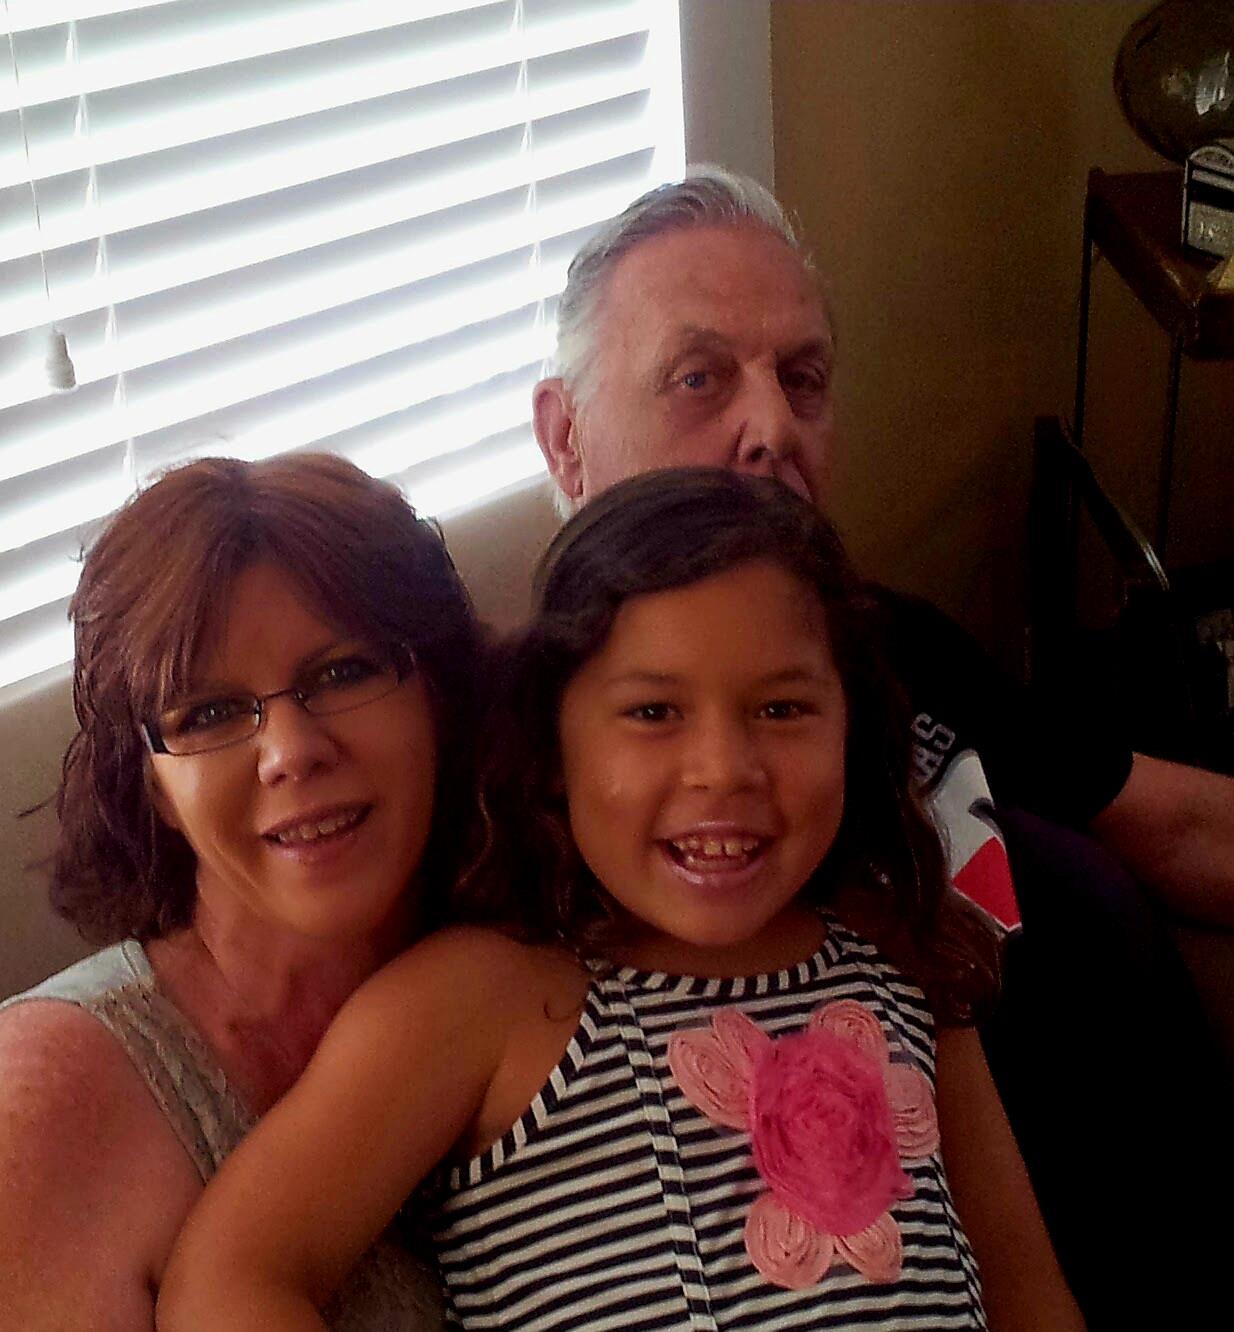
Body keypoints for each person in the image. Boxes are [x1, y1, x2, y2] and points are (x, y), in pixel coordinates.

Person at [529, 167, 1233, 1327]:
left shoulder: (894, 639)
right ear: (566, 440)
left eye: (801, 381)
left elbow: (1170, 819)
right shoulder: (537, 763)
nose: (771, 430)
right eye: (700, 378)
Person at [157, 469, 1083, 1332]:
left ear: (854, 725)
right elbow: (229, 1277)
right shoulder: (480, 999)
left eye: (782, 709)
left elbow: (1030, 1298)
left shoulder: (904, 953)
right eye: (652, 713)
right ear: (553, 749)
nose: (723, 770)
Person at [0, 453, 481, 1330]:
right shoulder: (43, 1105)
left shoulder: (548, 966)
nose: (290, 751)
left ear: (438, 699)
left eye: (342, 672)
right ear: (152, 789)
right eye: (210, 713)